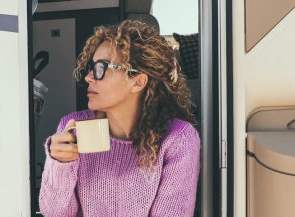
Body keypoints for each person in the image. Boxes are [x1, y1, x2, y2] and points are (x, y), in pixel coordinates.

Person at [39, 20, 200, 217]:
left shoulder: (177, 139)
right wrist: (60, 164)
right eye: (91, 67)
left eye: (101, 68)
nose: (89, 77)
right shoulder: (73, 129)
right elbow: (55, 214)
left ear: (137, 82)